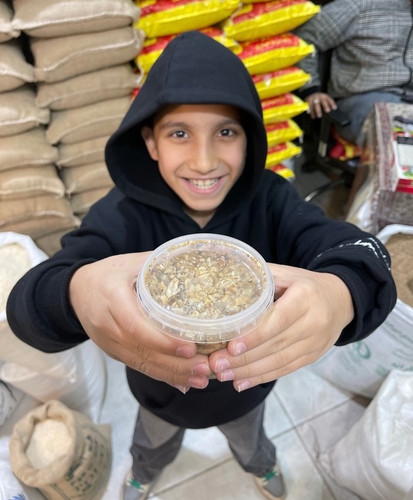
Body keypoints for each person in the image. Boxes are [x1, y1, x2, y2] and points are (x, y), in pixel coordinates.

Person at [6, 31, 397, 500]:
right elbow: (28, 303)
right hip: (160, 394)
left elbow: (359, 251)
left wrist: (341, 292)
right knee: (151, 444)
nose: (205, 160)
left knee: (250, 441)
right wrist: (75, 290)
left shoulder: (271, 200)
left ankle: (261, 465)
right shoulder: (122, 215)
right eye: (179, 133)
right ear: (151, 142)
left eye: (226, 133)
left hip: (246, 389)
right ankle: (143, 473)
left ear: (250, 139)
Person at [294, 0, 413, 145]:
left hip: (407, 100)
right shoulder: (358, 5)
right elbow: (303, 40)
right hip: (361, 99)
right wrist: (310, 88)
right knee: (398, 141)